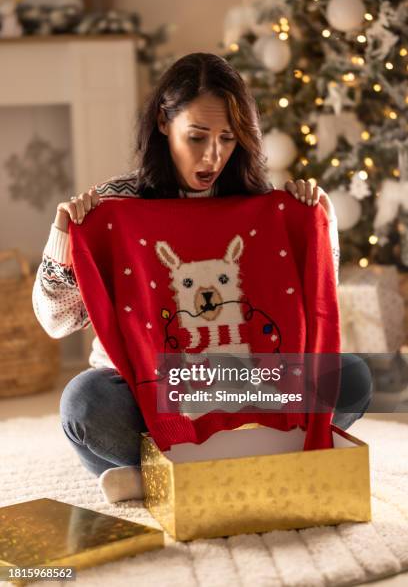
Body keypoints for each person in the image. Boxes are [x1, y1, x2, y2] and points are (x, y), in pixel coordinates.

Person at [32, 52, 373, 503]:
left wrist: (319, 224)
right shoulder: (117, 202)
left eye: (227, 138)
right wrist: (64, 239)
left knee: (352, 376)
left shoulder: (260, 201)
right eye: (197, 136)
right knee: (85, 404)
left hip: (251, 383)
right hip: (152, 390)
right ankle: (247, 464)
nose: (213, 155)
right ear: (162, 122)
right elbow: (57, 322)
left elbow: (313, 298)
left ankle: (156, 479)